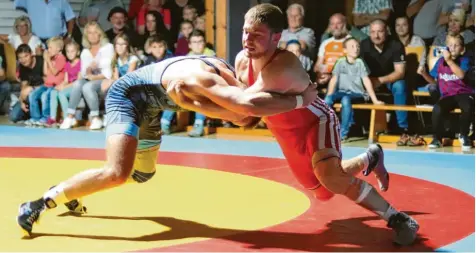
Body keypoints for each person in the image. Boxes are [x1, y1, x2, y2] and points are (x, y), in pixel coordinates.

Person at [168, 4, 419, 246]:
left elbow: (244, 107)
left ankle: (399, 220)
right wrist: (191, 103)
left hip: (315, 120)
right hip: (285, 132)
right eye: (246, 31)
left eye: (257, 35)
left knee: (330, 176)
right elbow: (245, 119)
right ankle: (368, 158)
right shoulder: (243, 61)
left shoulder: (282, 65)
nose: (247, 40)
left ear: (276, 37)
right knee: (323, 191)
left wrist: (192, 103)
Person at [16, 54, 318, 237]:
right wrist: (298, 100)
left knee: (142, 174)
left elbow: (242, 118)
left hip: (151, 108)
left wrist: (188, 103)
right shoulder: (203, 77)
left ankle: (74, 189)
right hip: (126, 97)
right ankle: (39, 203)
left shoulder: (225, 75)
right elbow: (243, 113)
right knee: (117, 172)